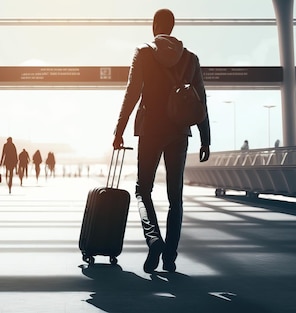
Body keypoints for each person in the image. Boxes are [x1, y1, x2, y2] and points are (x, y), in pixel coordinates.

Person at [112, 8, 211, 273]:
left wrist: (119, 129)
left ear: (154, 27)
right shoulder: (190, 59)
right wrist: (205, 139)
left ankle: (154, 240)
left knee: (143, 189)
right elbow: (200, 100)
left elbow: (132, 92)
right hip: (179, 132)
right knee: (175, 197)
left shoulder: (144, 53)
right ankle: (170, 256)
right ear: (173, 26)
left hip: (150, 130)